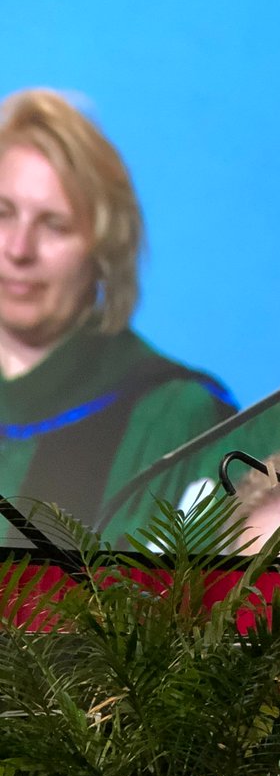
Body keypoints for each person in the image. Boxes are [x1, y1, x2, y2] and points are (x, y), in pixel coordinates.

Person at [0, 88, 236, 540]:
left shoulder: (175, 420)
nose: (18, 249)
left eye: (54, 225)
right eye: (3, 213)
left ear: (104, 249)